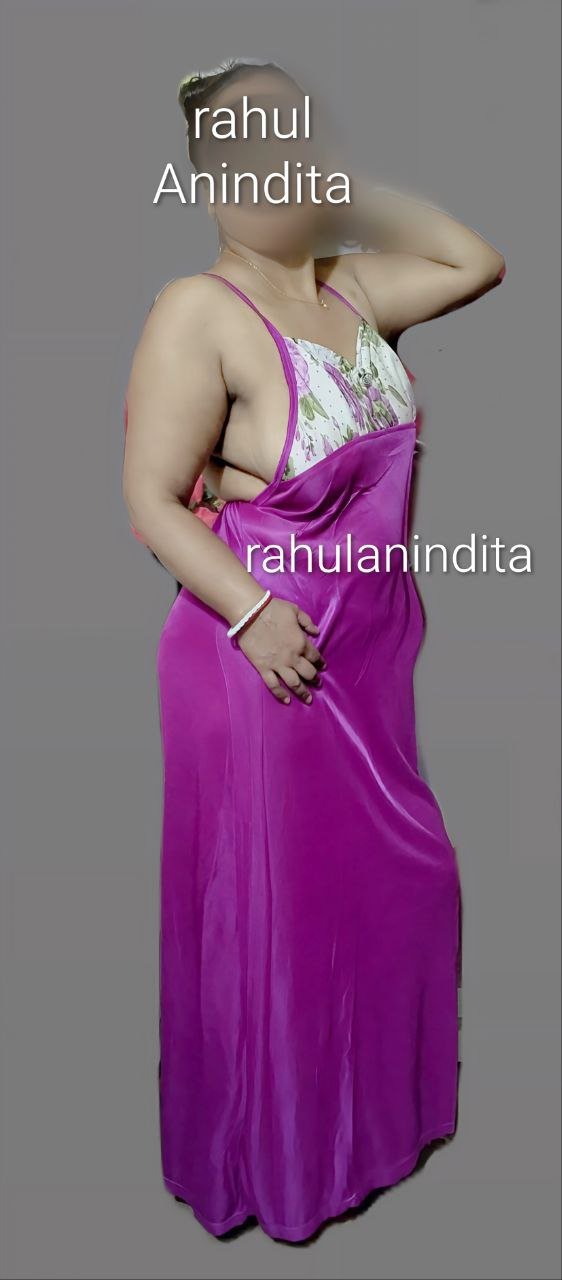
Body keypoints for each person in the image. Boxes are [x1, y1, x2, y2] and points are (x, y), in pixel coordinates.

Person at [122, 57, 505, 1243]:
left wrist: (348, 195)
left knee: (392, 891)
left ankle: (367, 1134)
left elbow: (476, 260)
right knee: (279, 924)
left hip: (369, 657)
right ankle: (275, 1167)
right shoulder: (196, 310)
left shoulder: (353, 288)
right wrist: (250, 611)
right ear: (207, 180)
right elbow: (149, 494)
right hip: (264, 660)